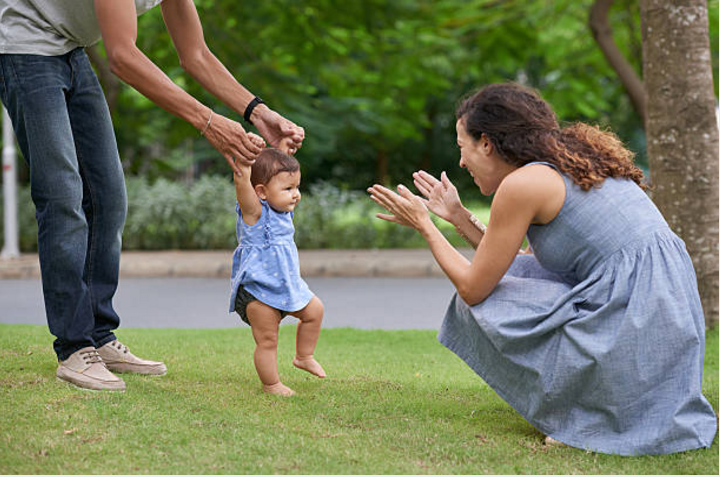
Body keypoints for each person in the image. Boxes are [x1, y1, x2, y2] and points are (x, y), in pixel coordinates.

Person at [367, 82, 717, 455]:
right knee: (520, 276)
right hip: (665, 321)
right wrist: (457, 216)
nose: (461, 162)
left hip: (634, 323)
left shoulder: (524, 184)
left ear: (486, 143)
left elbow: (473, 287)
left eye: (461, 147)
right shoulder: (571, 164)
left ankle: (587, 415)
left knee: (474, 303)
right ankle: (598, 407)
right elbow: (513, 259)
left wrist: (424, 224)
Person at [0, 0, 305, 392]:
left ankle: (98, 335)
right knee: (62, 197)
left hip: (69, 47)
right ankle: (75, 346)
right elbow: (123, 58)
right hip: (26, 45)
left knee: (108, 198)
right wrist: (208, 121)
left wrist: (258, 112)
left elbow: (195, 54)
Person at [230, 142, 325, 397]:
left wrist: (283, 147)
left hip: (287, 288)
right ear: (261, 191)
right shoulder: (254, 213)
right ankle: (271, 384)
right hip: (259, 292)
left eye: (297, 187)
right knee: (268, 340)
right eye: (288, 188)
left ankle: (304, 356)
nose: (296, 194)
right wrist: (243, 165)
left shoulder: (283, 212)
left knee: (315, 310)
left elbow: (277, 166)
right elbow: (243, 185)